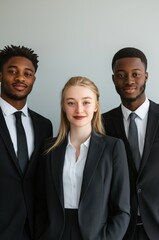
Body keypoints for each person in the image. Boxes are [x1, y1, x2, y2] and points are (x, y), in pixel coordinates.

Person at [35, 76, 130, 240]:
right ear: (64, 107)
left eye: (86, 102)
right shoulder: (49, 148)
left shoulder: (113, 147)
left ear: (96, 106)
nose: (79, 109)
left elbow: (122, 209)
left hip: (96, 236)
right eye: (71, 103)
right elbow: (40, 202)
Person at [102, 47, 159, 240]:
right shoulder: (100, 124)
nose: (129, 81)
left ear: (146, 76)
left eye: (136, 74)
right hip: (118, 231)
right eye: (121, 75)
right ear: (113, 79)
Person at [0, 45, 53, 240]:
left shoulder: (44, 126)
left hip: (35, 230)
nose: (20, 78)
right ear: (0, 75)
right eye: (12, 71)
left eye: (27, 73)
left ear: (33, 79)